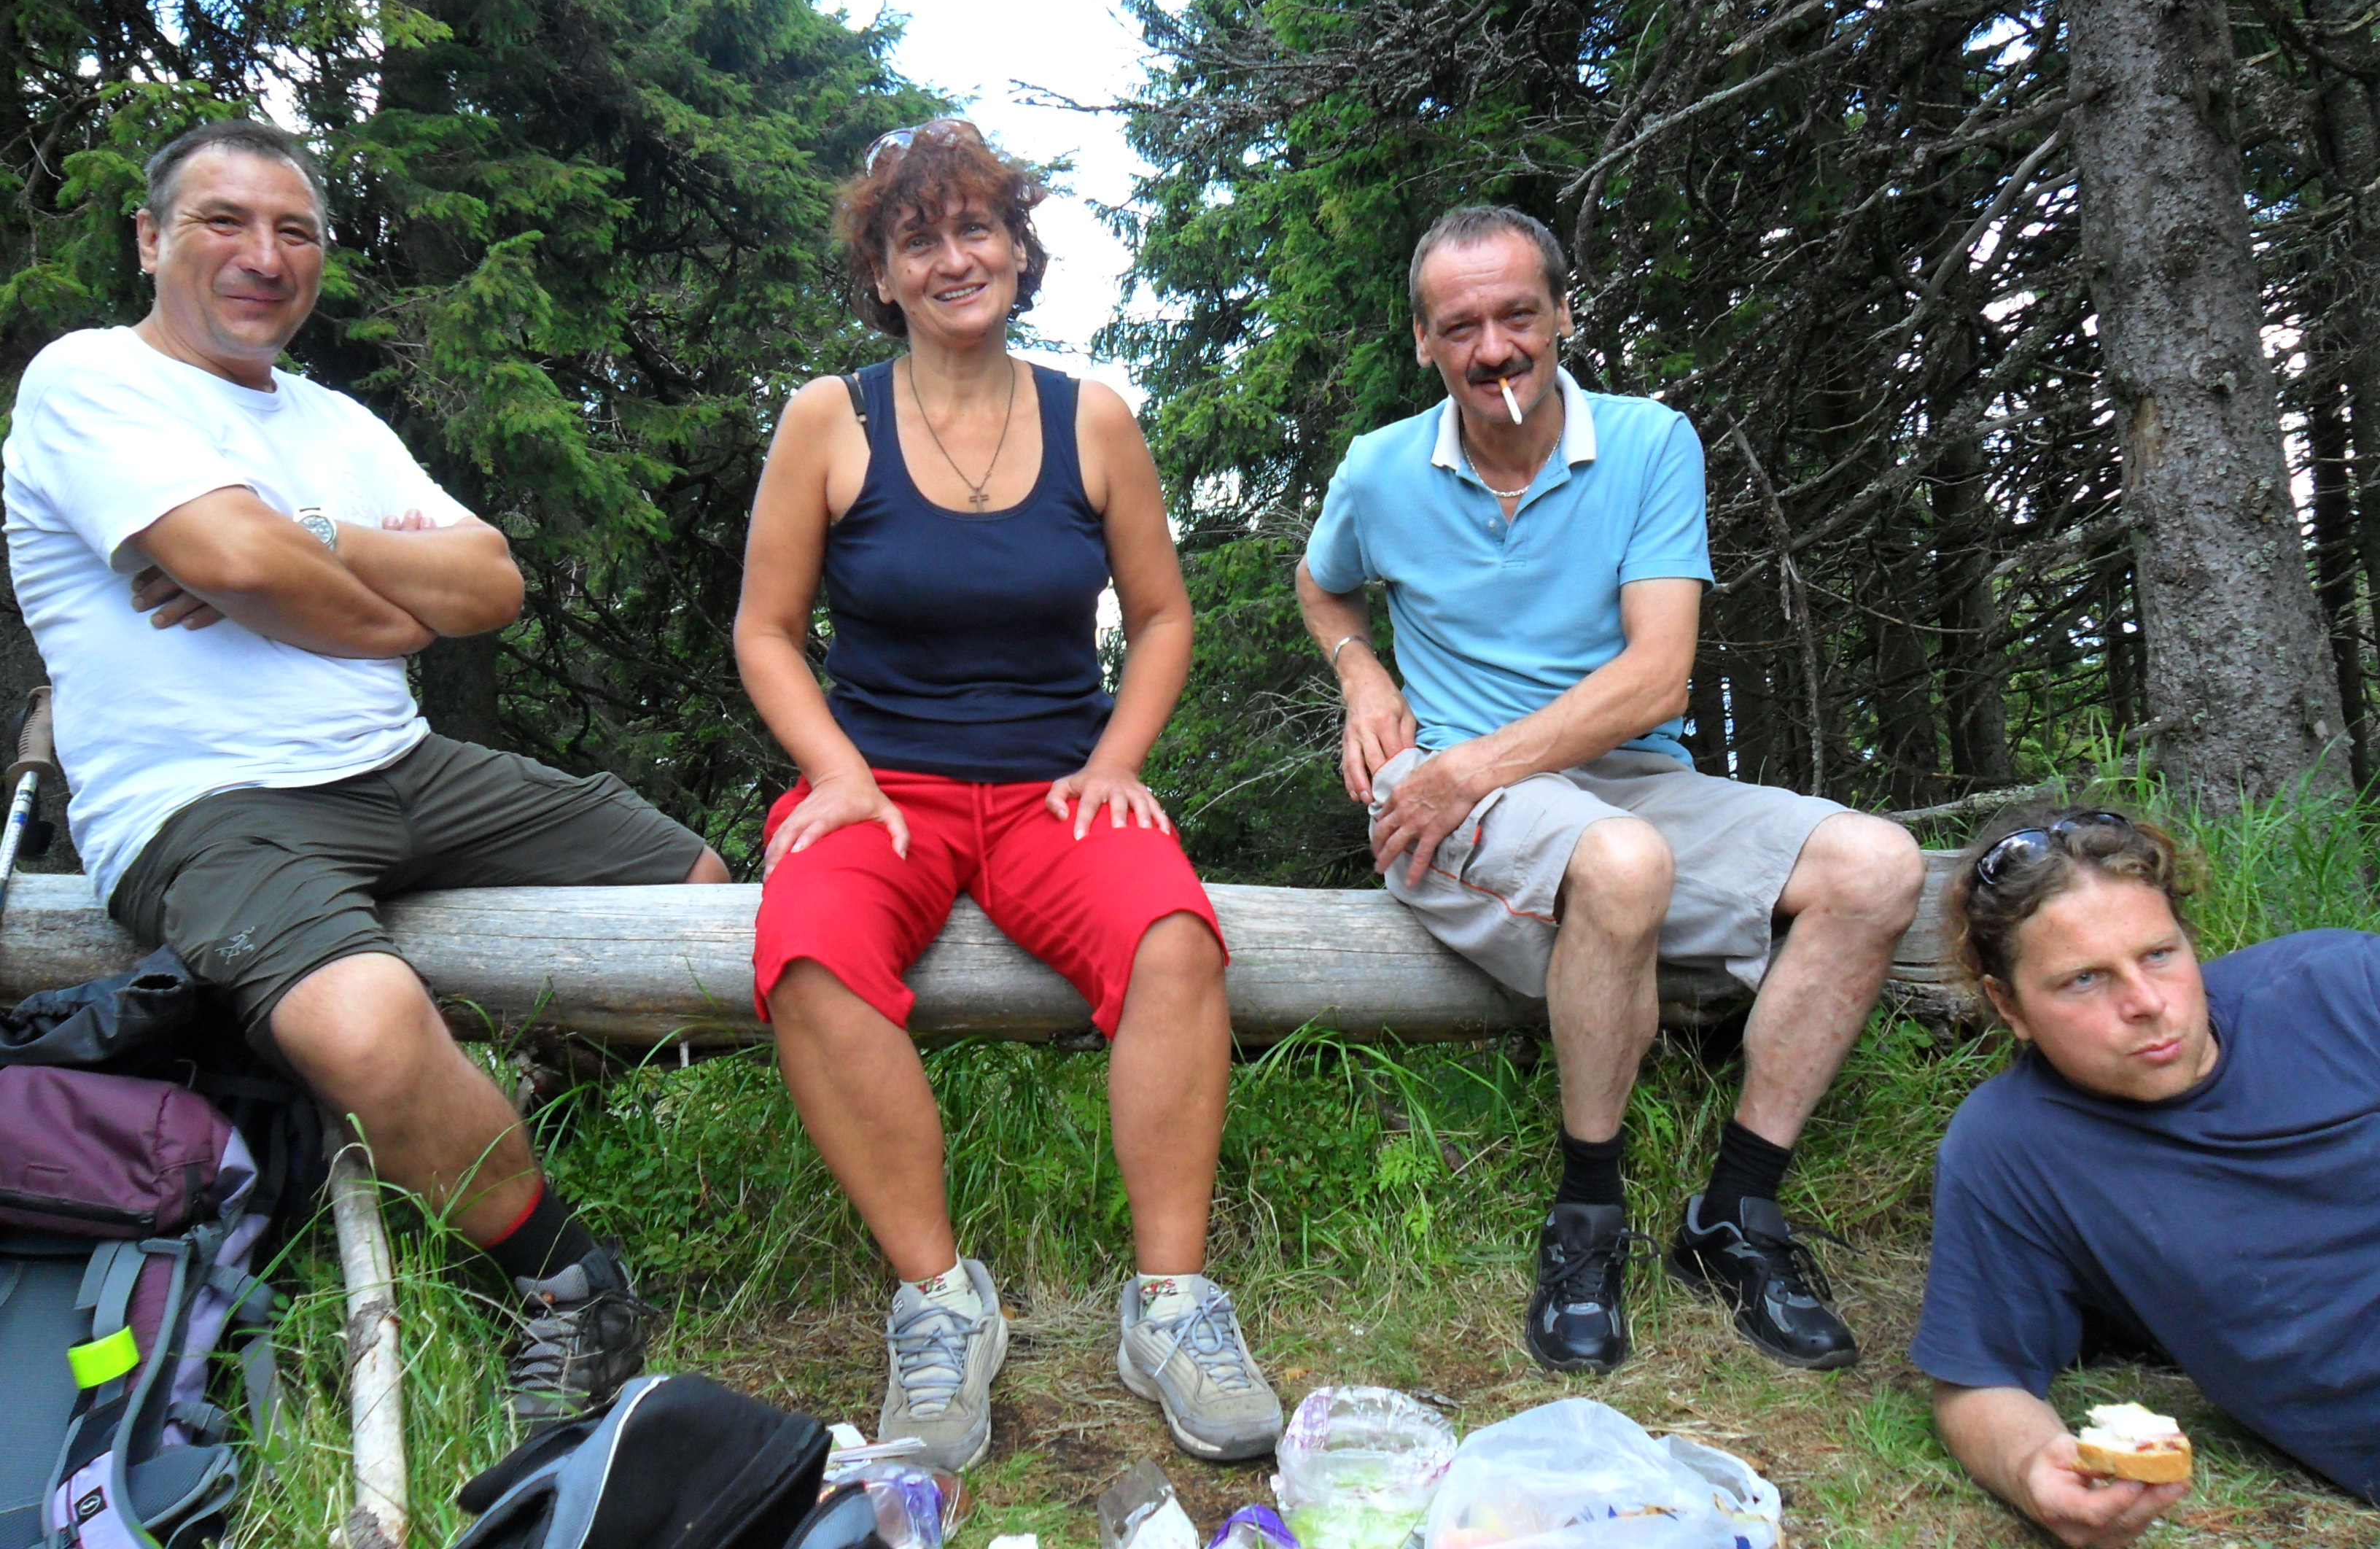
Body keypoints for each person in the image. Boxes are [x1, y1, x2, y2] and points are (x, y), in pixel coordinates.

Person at [1, 118, 732, 1423]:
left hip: (398, 765)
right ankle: (564, 1279)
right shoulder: (90, 379)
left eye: (295, 231)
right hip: (202, 807)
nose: (263, 255)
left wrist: (312, 537)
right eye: (224, 221)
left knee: (694, 887)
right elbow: (243, 564)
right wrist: (375, 604)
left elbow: (489, 581)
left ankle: (509, 1107)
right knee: (361, 1025)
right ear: (150, 238)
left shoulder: (333, 422)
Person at [733, 119, 1280, 1471]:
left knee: (1174, 938)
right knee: (806, 952)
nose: (952, 257)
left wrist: (1117, 760)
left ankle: (1171, 1304)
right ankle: (940, 1302)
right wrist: (836, 772)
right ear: (880, 274)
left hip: (1057, 790)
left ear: (1020, 253)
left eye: (976, 228)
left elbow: (1162, 616)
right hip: (882, 790)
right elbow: (765, 630)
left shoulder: (1091, 417)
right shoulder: (829, 419)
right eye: (916, 238)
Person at [1296, 205, 1925, 1376]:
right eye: (1461, 326)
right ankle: (1588, 1214)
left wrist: (1474, 767)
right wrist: (1361, 673)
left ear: (1564, 316)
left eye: (1517, 315)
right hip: (1454, 792)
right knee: (1625, 864)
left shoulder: (1647, 443)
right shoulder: (1380, 470)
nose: (1494, 349)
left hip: (1600, 775)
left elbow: (1655, 678)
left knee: (1879, 864)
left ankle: (1738, 1211)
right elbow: (1321, 582)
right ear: (1424, 341)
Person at [1915, 807, 2380, 1543]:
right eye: (2084, 980)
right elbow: (1979, 1381)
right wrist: (2034, 1471)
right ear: (2009, 1006)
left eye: (2159, 955)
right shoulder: (2014, 1148)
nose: (2146, 1004)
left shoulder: (2345, 987)